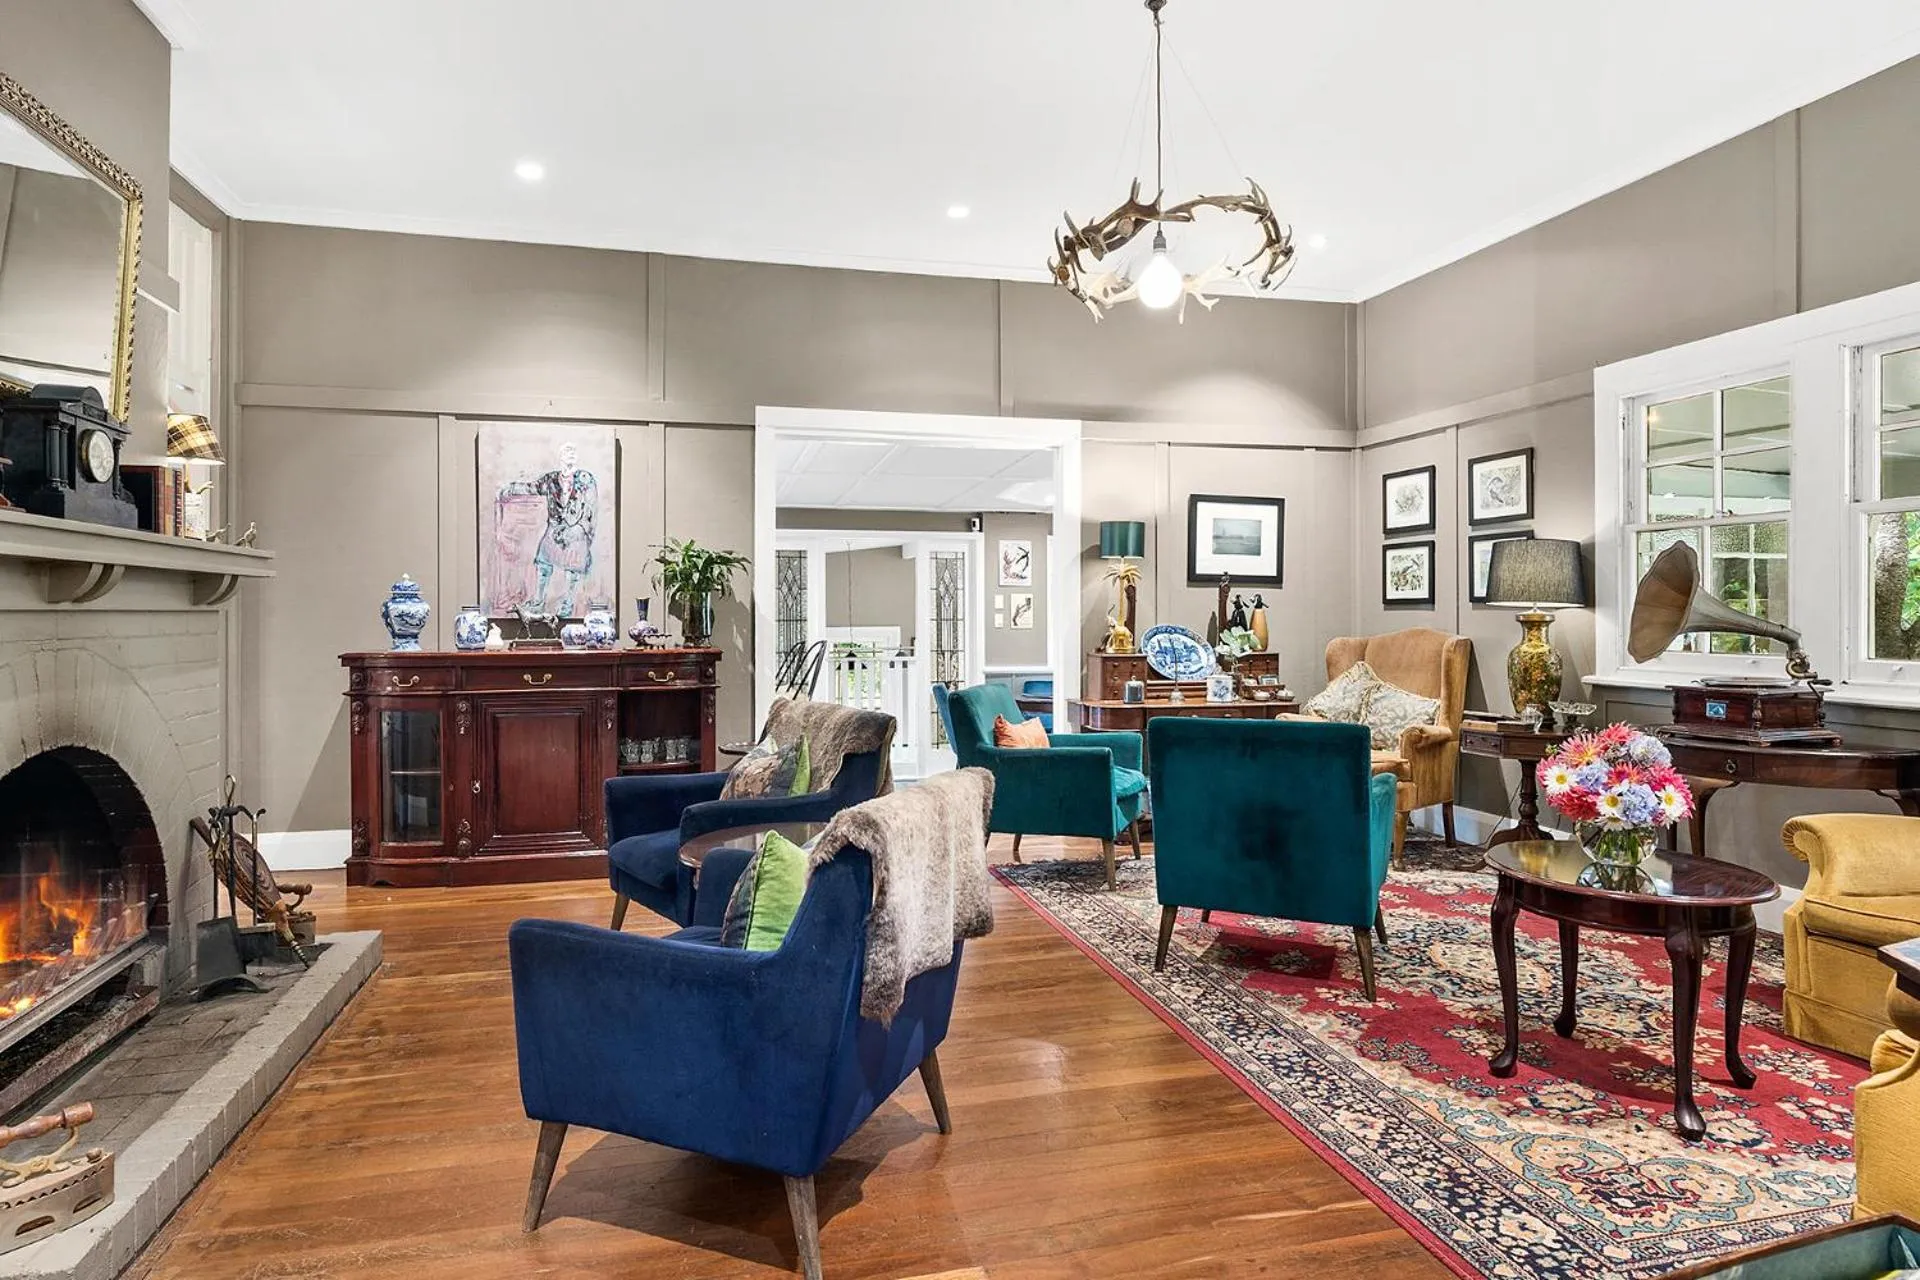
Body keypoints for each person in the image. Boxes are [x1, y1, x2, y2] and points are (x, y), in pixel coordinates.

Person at [503, 441, 597, 617]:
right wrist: (512, 488)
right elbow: (532, 487)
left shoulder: (586, 479)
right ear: (560, 457)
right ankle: (538, 602)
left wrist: (582, 529)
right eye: (567, 451)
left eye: (573, 451)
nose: (571, 453)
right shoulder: (551, 479)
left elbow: (592, 507)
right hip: (554, 528)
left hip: (576, 531)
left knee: (573, 568)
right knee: (543, 562)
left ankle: (568, 605)